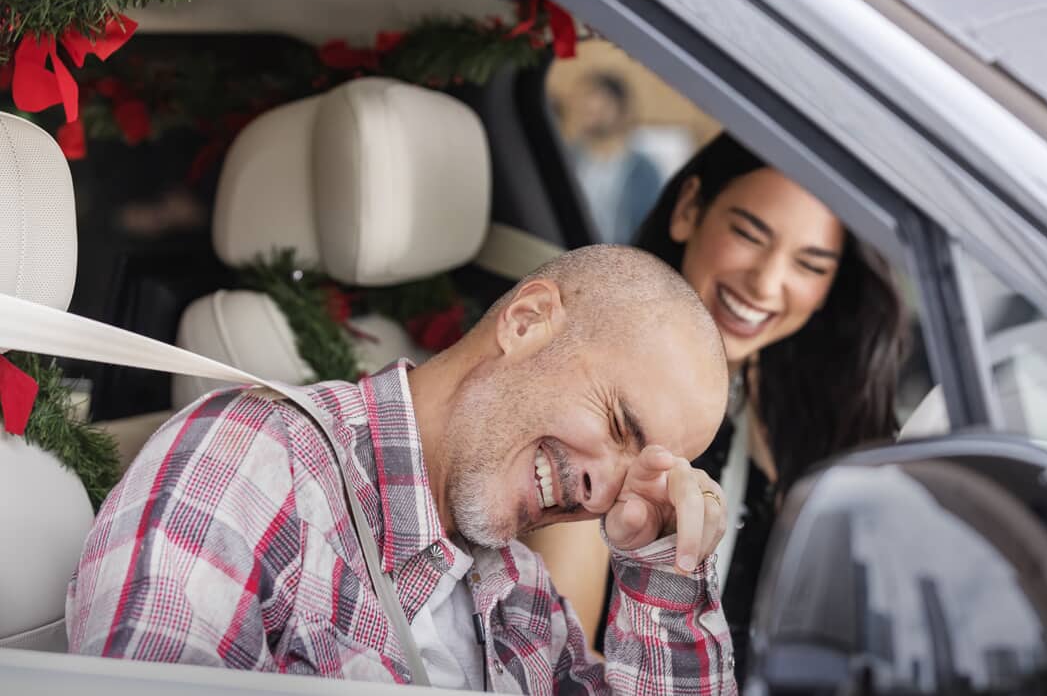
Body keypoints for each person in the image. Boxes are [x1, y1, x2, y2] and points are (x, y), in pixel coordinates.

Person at [67, 246, 737, 693]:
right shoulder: (254, 463)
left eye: (642, 471)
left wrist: (666, 581)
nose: (605, 490)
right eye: (620, 424)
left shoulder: (519, 591)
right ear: (527, 321)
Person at [528, 135, 907, 683]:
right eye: (750, 235)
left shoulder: (796, 410)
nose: (767, 283)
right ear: (688, 210)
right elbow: (558, 666)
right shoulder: (592, 396)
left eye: (810, 264)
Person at [569, 72, 663, 243]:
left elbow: (649, 229)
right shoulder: (567, 158)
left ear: (621, 111)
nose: (592, 113)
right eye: (588, 109)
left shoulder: (644, 171)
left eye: (601, 108)